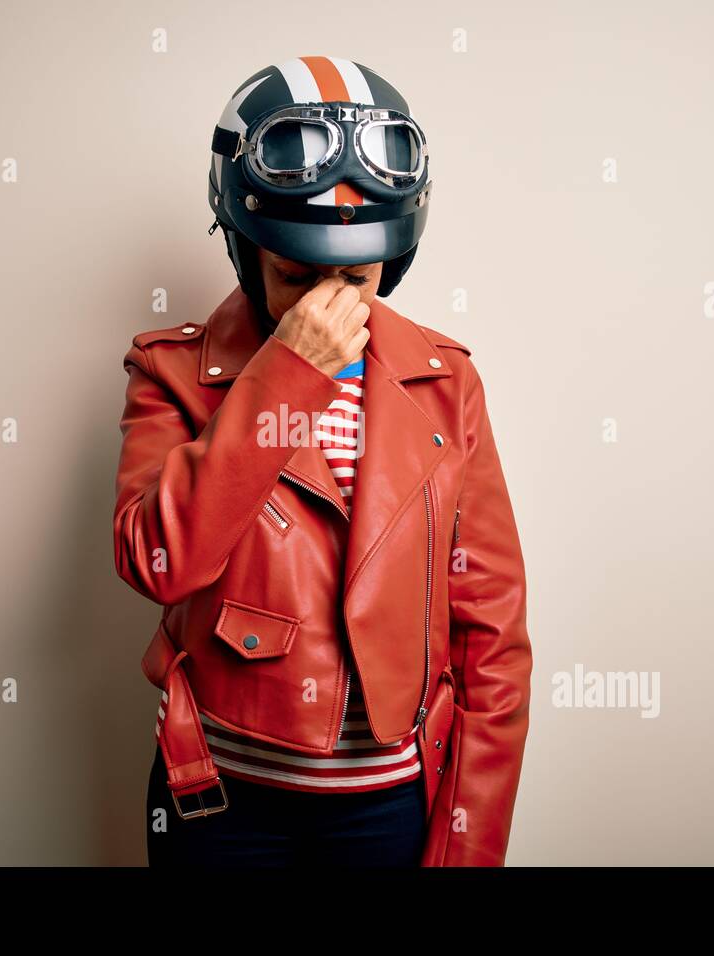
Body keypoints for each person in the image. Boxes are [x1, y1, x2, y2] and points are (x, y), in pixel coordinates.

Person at [113, 55, 533, 866]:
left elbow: (493, 637)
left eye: (357, 276)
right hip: (219, 800)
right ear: (243, 249)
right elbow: (157, 563)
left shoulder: (447, 383)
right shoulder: (168, 372)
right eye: (296, 276)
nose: (327, 302)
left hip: (390, 805)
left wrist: (465, 846)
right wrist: (289, 378)